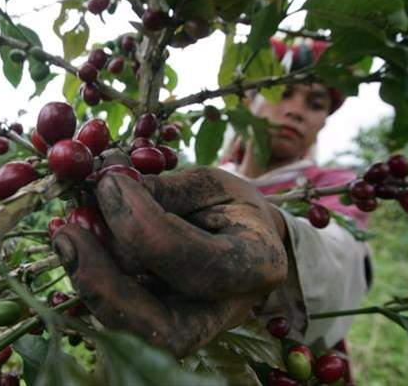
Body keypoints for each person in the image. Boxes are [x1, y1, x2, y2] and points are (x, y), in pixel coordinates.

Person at [51, 39, 371, 382]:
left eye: (315, 103)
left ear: (324, 121)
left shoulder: (336, 182)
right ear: (250, 98)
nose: (295, 110)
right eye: (283, 92)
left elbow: (344, 251)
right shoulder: (211, 177)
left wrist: (281, 234)